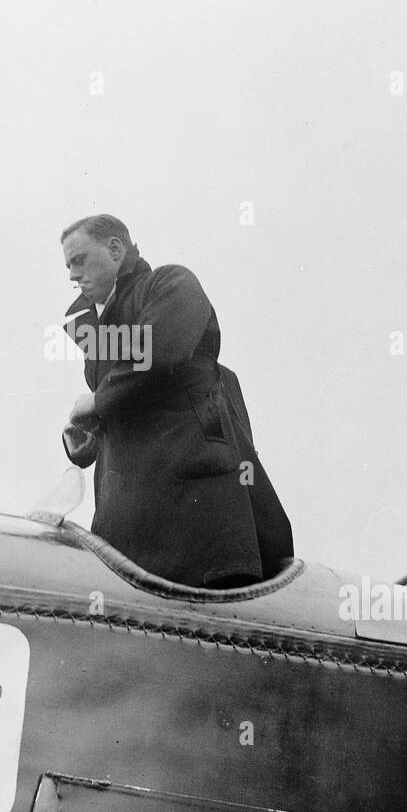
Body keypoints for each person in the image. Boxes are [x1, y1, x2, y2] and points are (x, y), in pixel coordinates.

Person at [60, 215, 293, 588]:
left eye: (79, 260)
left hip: (193, 513)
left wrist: (98, 401)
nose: (72, 274)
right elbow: (126, 394)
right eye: (68, 265)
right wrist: (91, 428)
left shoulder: (172, 282)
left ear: (115, 249)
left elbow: (159, 350)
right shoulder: (95, 326)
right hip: (126, 518)